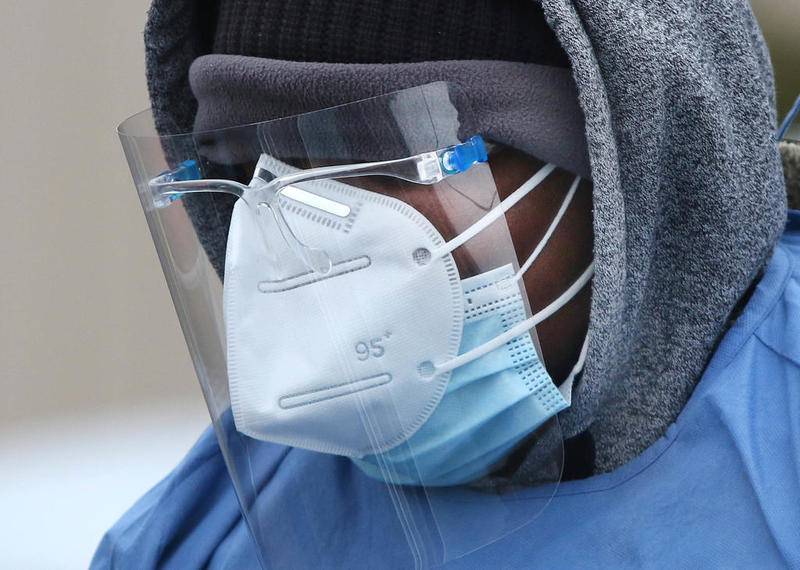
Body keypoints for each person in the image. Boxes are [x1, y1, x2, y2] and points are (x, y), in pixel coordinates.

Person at [93, 0, 800, 567]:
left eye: (389, 158)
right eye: (254, 169)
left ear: (635, 164)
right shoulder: (198, 542)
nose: (306, 238)